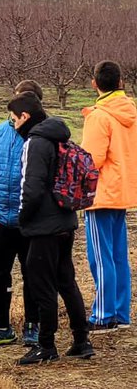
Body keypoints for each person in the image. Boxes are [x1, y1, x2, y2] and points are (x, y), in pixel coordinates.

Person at [7, 94, 94, 364]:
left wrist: (23, 218)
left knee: (41, 284)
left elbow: (31, 188)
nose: (12, 125)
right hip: (65, 220)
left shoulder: (36, 143)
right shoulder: (60, 138)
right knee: (66, 281)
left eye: (13, 119)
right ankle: (82, 340)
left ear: (25, 117)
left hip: (43, 226)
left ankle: (46, 344)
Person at [0, 81, 45, 349]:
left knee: (33, 274)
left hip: (29, 222)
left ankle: (32, 324)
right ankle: (1, 326)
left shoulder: (41, 138)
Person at [80, 61, 137, 331]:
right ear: (121, 83)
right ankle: (121, 313)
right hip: (124, 192)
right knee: (118, 256)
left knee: (100, 257)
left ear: (95, 83)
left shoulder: (99, 116)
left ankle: (103, 315)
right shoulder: (131, 112)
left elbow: (92, 160)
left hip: (101, 194)